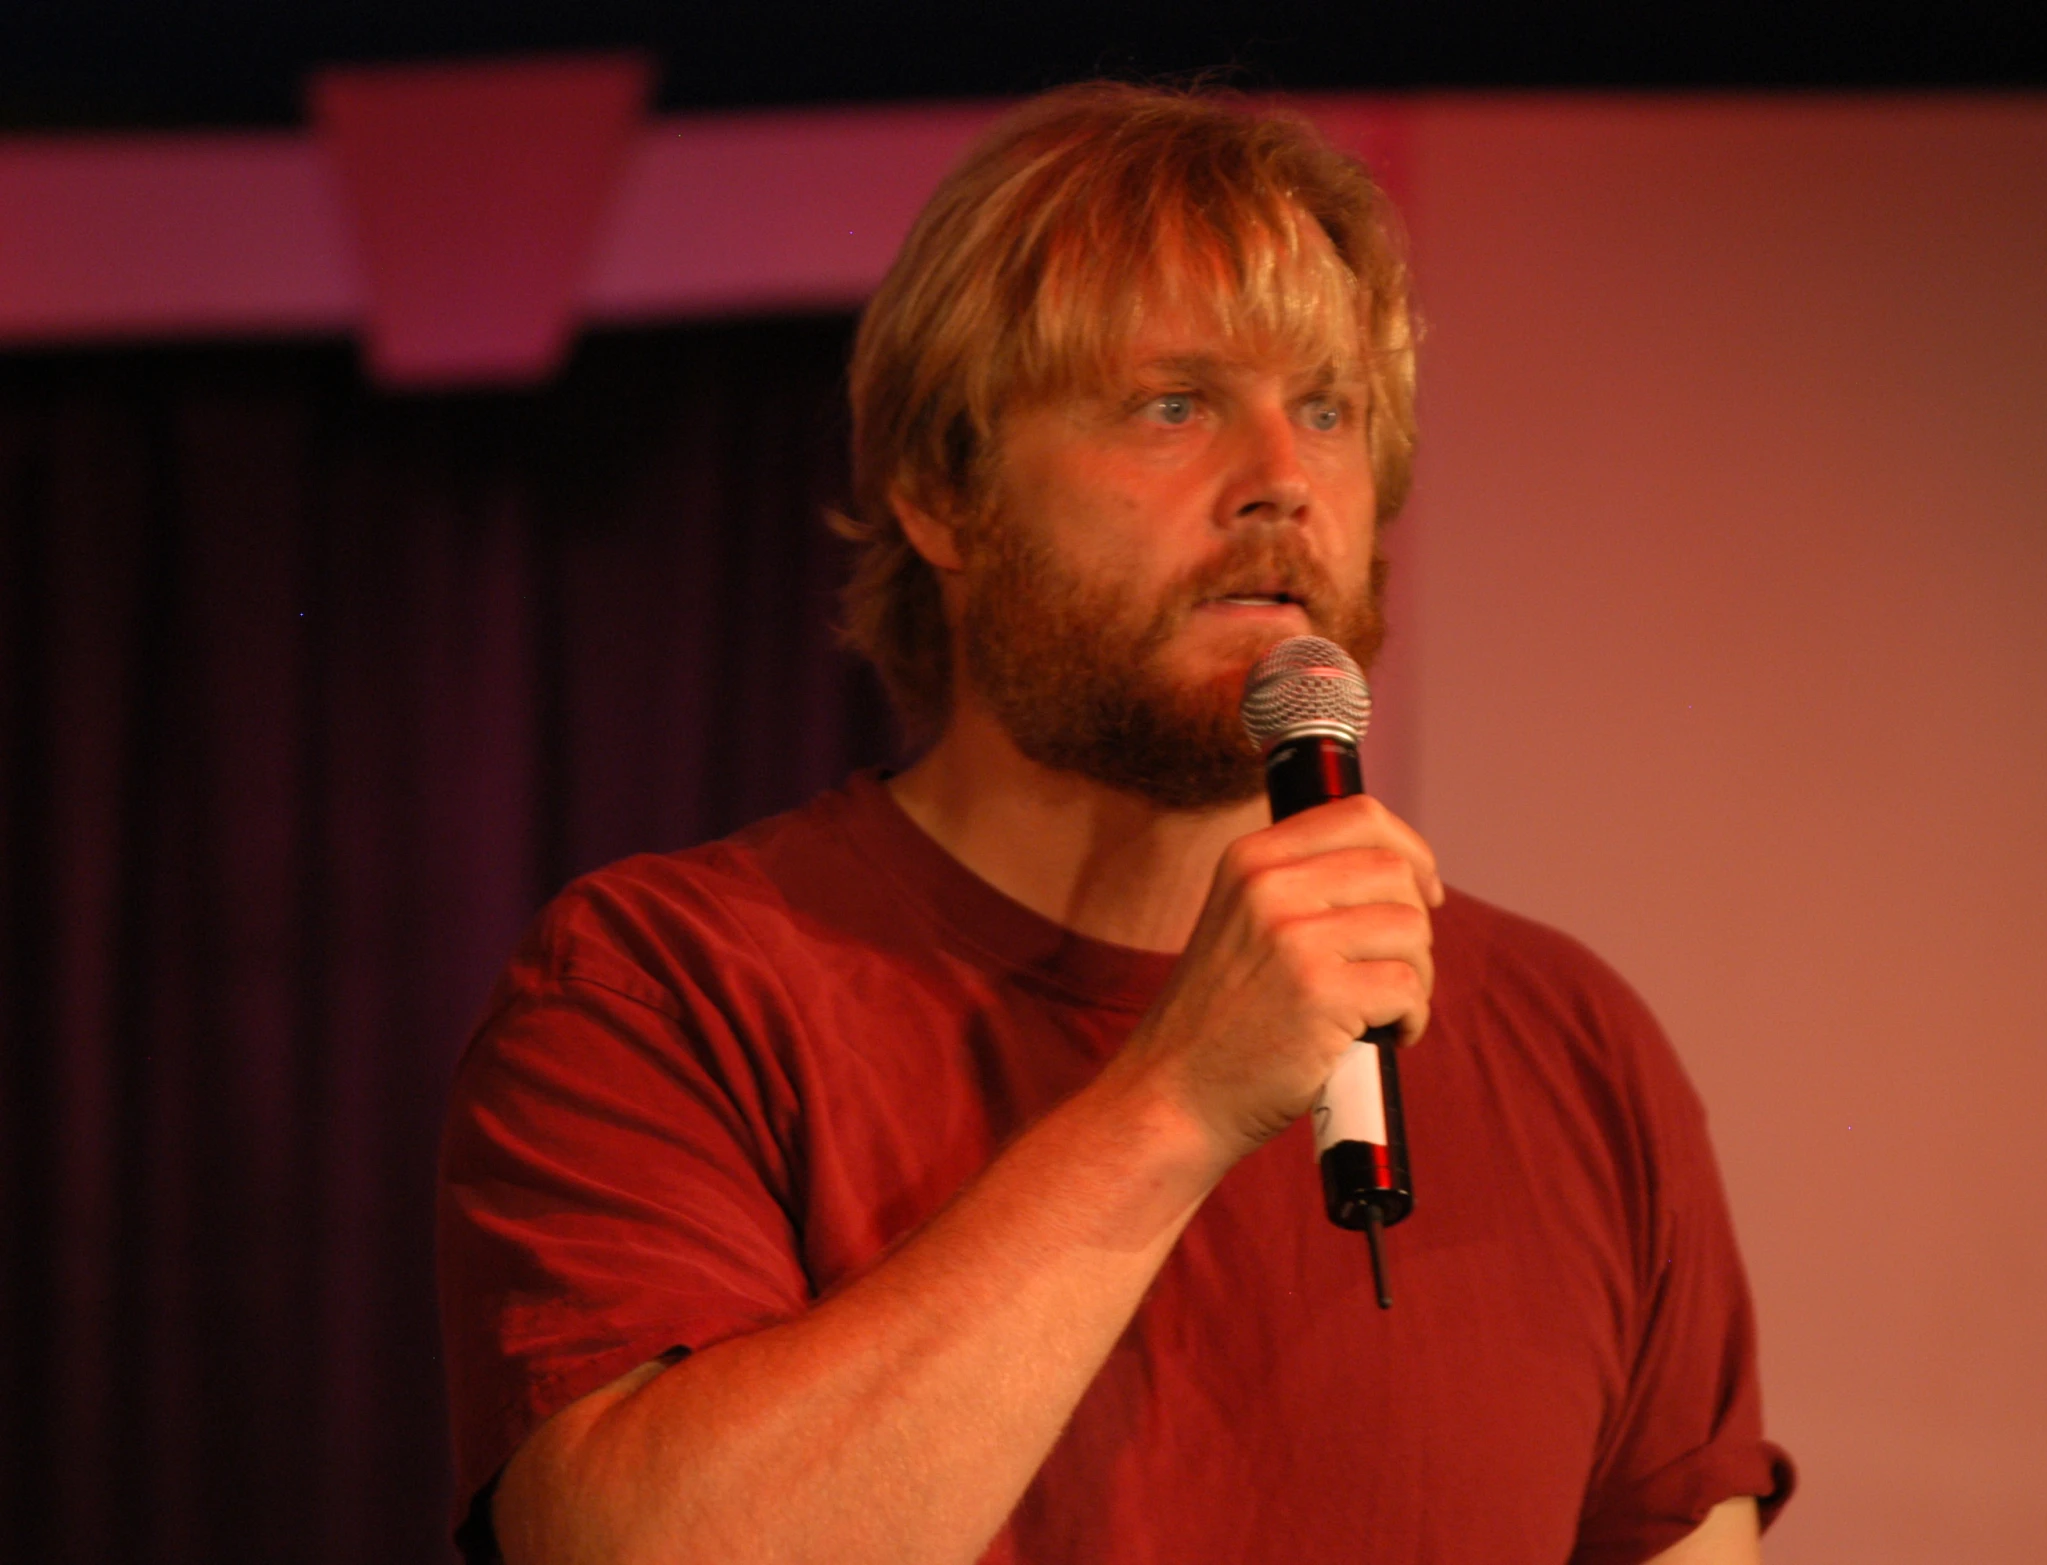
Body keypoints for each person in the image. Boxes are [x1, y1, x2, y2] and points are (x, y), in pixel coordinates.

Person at [437, 82, 1794, 1565]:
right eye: (1174, 404)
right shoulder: (667, 985)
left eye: (1326, 410)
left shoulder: (1575, 1047)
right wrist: (1176, 1102)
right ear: (946, 496)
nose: (1280, 481)